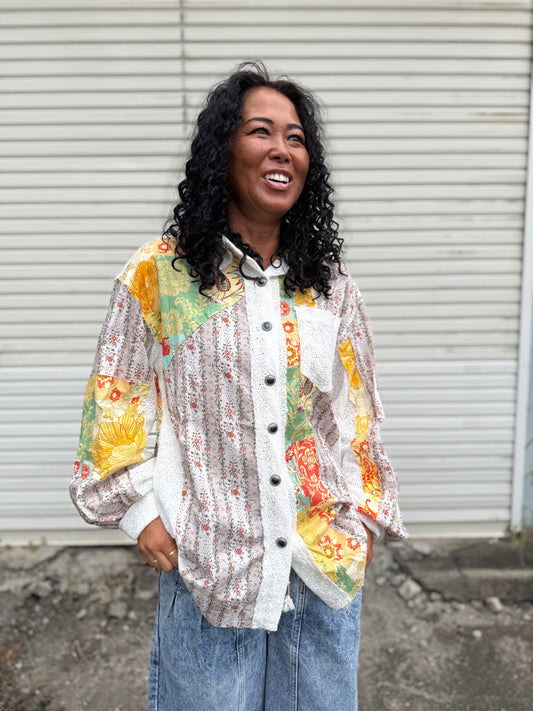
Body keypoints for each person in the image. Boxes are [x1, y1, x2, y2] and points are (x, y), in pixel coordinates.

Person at [70, 61, 408, 711]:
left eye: (296, 138)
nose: (283, 149)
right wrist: (140, 512)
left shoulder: (329, 287)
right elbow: (117, 398)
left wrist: (362, 519)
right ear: (222, 152)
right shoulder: (159, 276)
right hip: (210, 568)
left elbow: (355, 413)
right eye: (261, 131)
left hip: (318, 567)